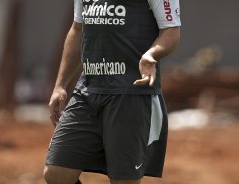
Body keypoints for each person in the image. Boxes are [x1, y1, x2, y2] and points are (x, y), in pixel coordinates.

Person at [43, 0, 181, 184]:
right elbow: (77, 29)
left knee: (124, 180)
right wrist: (60, 85)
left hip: (130, 94)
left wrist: (151, 54)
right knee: (56, 173)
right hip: (87, 91)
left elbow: (171, 32)